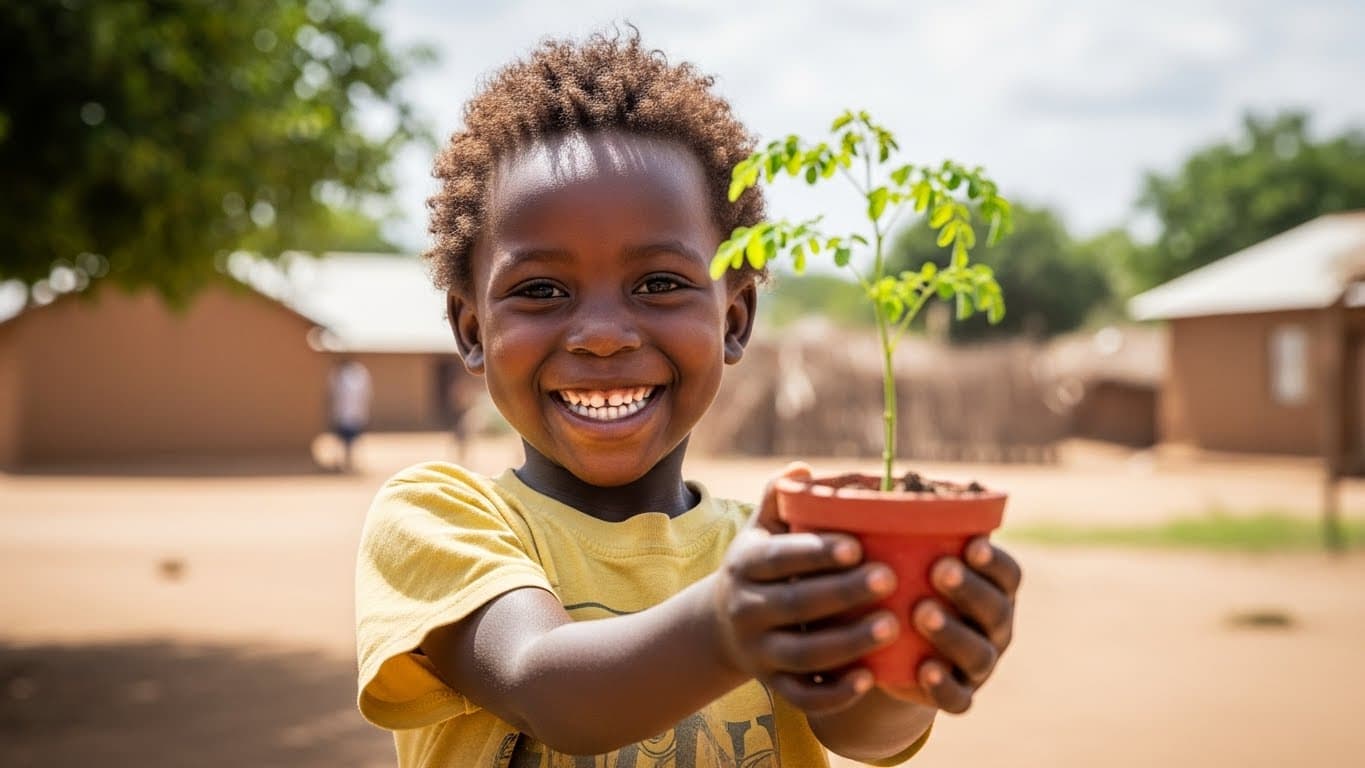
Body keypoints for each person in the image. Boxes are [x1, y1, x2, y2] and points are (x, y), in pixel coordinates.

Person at [355, 30, 1021, 767]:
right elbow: (542, 687)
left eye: (659, 283)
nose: (603, 335)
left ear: (733, 317)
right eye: (541, 290)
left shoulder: (768, 556)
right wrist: (728, 627)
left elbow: (860, 731)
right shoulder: (435, 521)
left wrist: (920, 656)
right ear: (471, 328)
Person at [328, 357, 371, 473]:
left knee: (351, 441)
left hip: (353, 415)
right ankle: (344, 463)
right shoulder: (339, 375)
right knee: (343, 441)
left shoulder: (357, 375)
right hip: (344, 414)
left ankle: (349, 463)